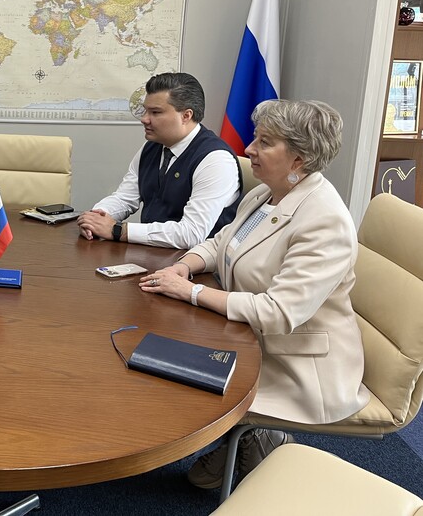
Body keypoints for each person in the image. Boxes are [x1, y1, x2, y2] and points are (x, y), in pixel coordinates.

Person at [138, 99, 369, 488]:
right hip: (250, 337)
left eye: (264, 142)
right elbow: (221, 243)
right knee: (159, 351)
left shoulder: (325, 220)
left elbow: (278, 312)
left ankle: (258, 437)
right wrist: (184, 266)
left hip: (297, 365)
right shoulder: (266, 194)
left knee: (173, 372)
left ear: (299, 159)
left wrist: (191, 293)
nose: (248, 149)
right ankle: (245, 438)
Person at [77, 72, 241, 249]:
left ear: (186, 116)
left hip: (195, 261)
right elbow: (125, 198)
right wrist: (96, 217)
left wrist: (118, 230)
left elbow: (191, 234)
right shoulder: (152, 147)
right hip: (151, 253)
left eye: (155, 112)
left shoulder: (216, 160)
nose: (144, 119)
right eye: (145, 110)